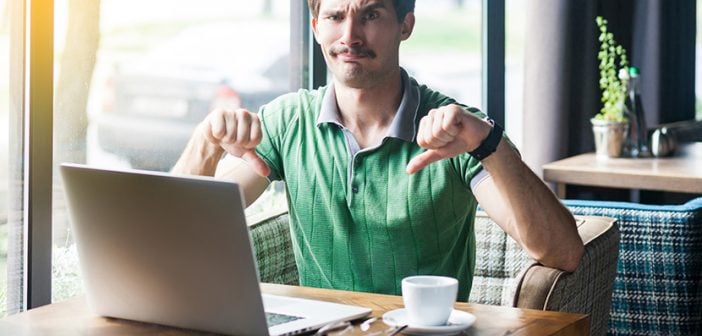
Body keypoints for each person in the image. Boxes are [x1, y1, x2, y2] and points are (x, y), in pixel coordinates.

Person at [173, 0, 584, 301]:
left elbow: (562, 253)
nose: (350, 36)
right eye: (335, 16)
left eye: (370, 15)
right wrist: (205, 144)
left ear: (405, 25)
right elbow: (176, 227)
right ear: (316, 25)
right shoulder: (286, 122)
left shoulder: (456, 131)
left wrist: (490, 143)